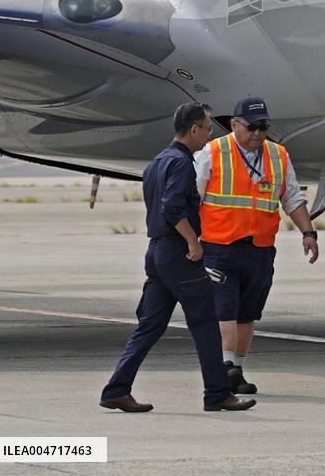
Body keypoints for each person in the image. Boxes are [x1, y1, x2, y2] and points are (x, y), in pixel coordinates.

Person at [100, 102, 255, 413]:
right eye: (208, 128)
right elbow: (171, 208)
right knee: (206, 323)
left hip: (156, 252)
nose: (210, 135)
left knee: (151, 325)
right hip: (177, 251)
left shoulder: (156, 163)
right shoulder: (183, 163)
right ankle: (218, 394)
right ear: (194, 129)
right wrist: (192, 241)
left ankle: (116, 389)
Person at [195, 95, 318, 394]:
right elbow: (191, 197)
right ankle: (225, 368)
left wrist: (308, 232)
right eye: (252, 127)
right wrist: (187, 240)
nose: (258, 133)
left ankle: (236, 368)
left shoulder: (278, 155)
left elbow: (292, 198)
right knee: (225, 309)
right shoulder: (212, 153)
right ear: (234, 124)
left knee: (249, 312)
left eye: (264, 126)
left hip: (260, 247)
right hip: (219, 245)